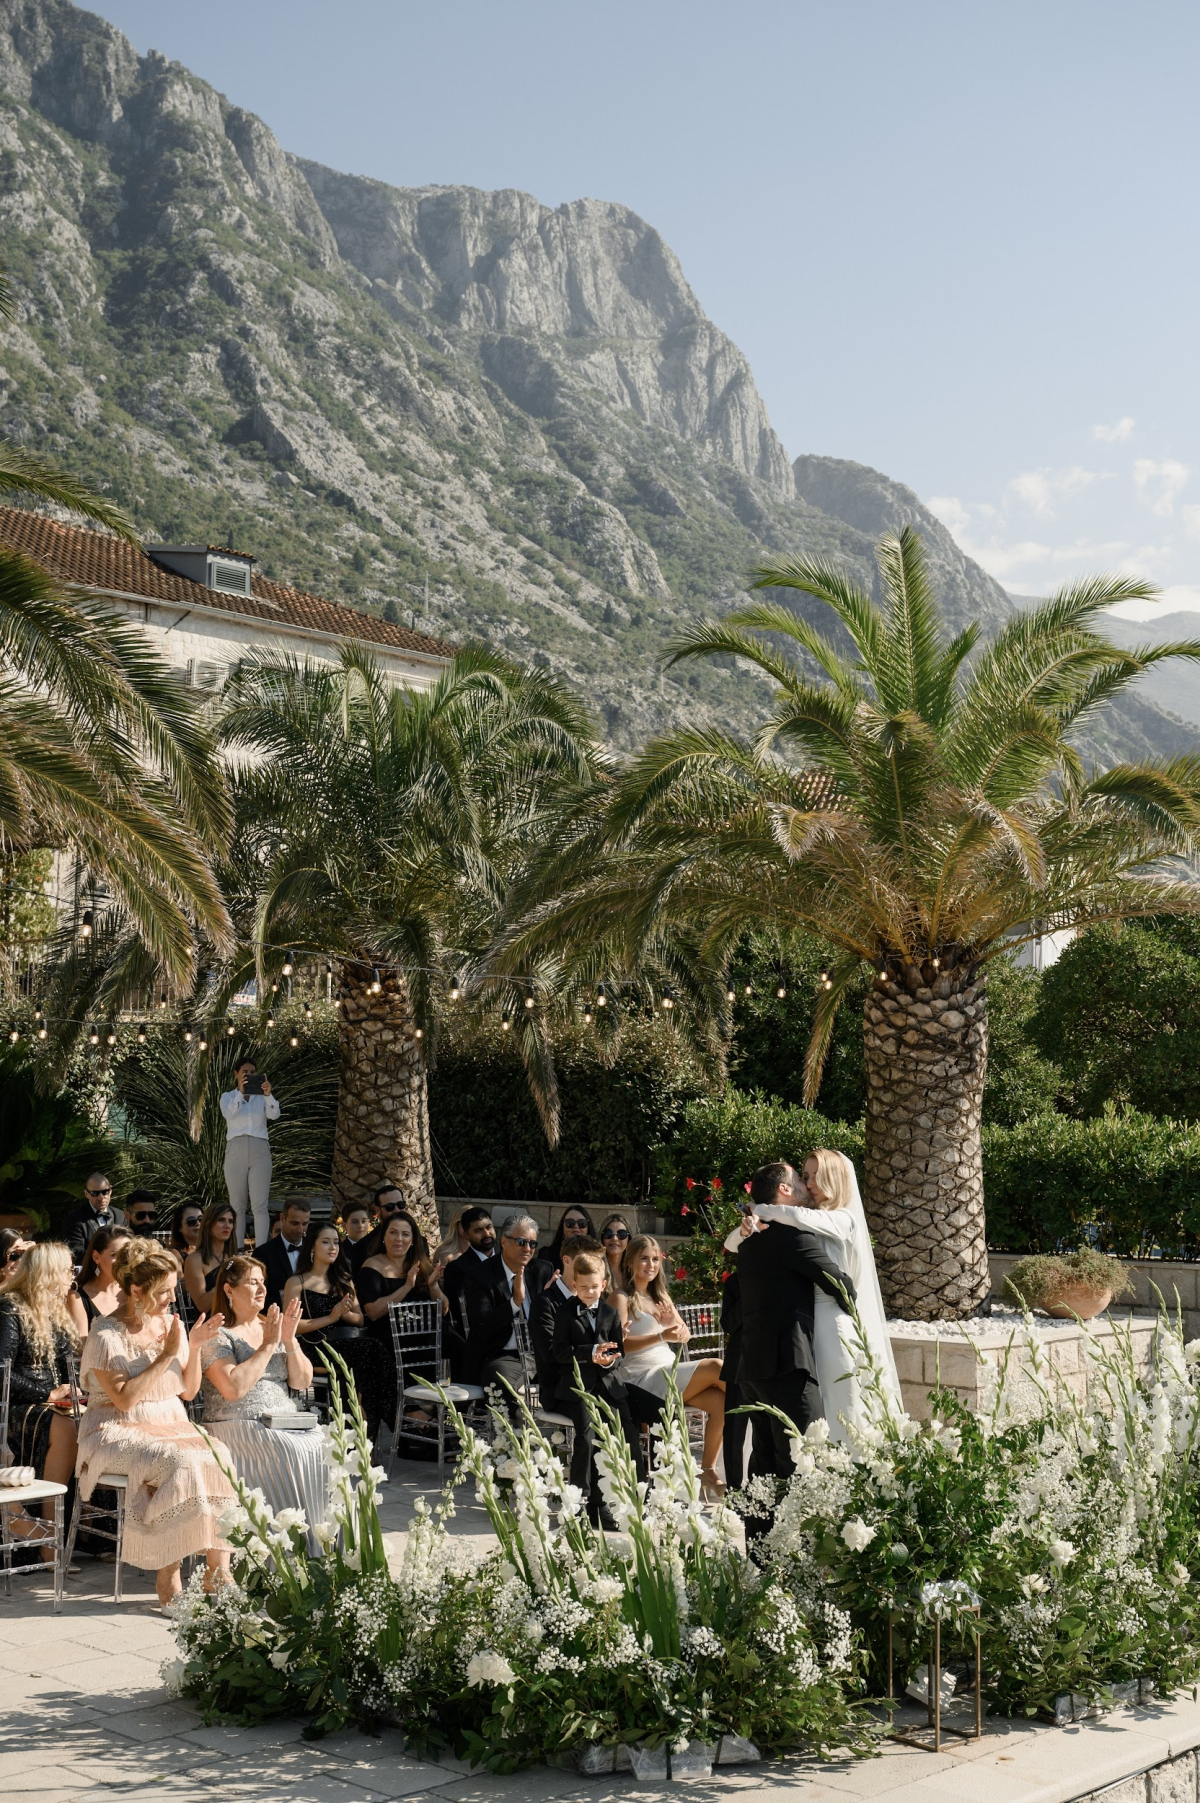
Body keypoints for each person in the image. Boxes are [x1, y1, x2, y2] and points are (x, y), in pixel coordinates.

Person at [76, 1238, 232, 1605]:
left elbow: (188, 1392)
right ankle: (168, 1575)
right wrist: (164, 1357)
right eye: (163, 1291)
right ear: (136, 1290)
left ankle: (217, 1572)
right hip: (114, 1429)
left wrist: (194, 1346)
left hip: (170, 1422)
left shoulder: (169, 1324)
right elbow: (124, 1400)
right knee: (180, 1461)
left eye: (174, 1289)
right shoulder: (106, 1335)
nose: (172, 1298)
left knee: (219, 1454)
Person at [754, 1148, 902, 1442]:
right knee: (822, 1406)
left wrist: (759, 1209)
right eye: (805, 1176)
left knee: (842, 1404)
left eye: (815, 1176)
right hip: (810, 1324)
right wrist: (750, 1224)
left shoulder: (843, 1219)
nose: (808, 1183)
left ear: (834, 1178)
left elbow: (797, 1216)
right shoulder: (807, 1219)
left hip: (834, 1323)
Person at [735, 1161, 856, 1487]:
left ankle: (758, 1523)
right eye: (800, 1180)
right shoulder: (792, 1238)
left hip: (752, 1370)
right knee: (803, 1458)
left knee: (763, 1467)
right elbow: (840, 1284)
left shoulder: (748, 1243)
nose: (806, 1185)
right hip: (787, 1368)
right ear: (785, 1189)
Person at [201, 1256, 329, 1535]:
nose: (262, 1289)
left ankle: (318, 1538)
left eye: (262, 1282)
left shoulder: (269, 1327)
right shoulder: (217, 1334)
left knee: (324, 1445)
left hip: (284, 1422)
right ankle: (286, 1539)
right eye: (252, 1282)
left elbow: (302, 1381)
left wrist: (289, 1339)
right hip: (237, 1425)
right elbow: (233, 1389)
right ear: (229, 1289)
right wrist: (269, 1345)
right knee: (292, 1450)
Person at [615, 1235, 727, 1497]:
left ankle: (707, 1470)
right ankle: (758, 1416)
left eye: (655, 1259)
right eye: (644, 1258)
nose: (651, 1265)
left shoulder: (660, 1295)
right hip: (642, 1378)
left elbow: (683, 1335)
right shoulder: (621, 1297)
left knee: (722, 1403)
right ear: (630, 1262)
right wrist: (661, 1335)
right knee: (716, 1366)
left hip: (669, 1370)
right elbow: (620, 1345)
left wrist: (672, 1327)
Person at [551, 1250, 644, 1525]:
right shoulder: (565, 1312)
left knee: (628, 1433)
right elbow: (559, 1352)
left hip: (608, 1384)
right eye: (583, 1287)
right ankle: (581, 1503)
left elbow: (619, 1351)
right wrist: (590, 1353)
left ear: (603, 1284)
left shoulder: (611, 1313)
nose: (589, 1292)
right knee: (587, 1435)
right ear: (574, 1285)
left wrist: (608, 1360)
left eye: (594, 1286)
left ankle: (638, 1496)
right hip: (578, 1387)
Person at [0, 1243, 80, 1560]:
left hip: (48, 1405)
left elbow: (65, 1365)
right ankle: (50, 1541)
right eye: (67, 1270)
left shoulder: (54, 1310)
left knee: (89, 1421)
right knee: (65, 1427)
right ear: (48, 1273)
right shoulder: (10, 1309)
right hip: (14, 1406)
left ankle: (80, 1532)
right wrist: (46, 1395)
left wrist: (71, 1389)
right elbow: (2, 1373)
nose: (72, 1277)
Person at [282, 1221, 387, 1440]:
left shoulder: (343, 1279)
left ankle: (365, 1427)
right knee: (371, 1352)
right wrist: (330, 1317)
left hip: (346, 1345)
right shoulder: (297, 1282)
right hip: (313, 1347)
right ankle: (369, 1425)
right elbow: (291, 1327)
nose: (333, 1247)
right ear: (312, 1246)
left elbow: (360, 1320)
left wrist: (344, 1314)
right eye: (325, 1242)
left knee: (371, 1357)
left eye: (336, 1242)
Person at [463, 1213, 553, 1402]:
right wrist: (515, 1303)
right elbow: (482, 1327)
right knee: (499, 1379)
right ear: (504, 1242)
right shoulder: (480, 1275)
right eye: (521, 1242)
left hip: (539, 1354)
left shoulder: (543, 1270)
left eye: (532, 1244)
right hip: (503, 1355)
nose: (527, 1249)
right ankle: (513, 1423)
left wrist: (549, 1301)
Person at [529, 1234, 599, 1401]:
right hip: (563, 1391)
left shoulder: (597, 1301)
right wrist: (593, 1351)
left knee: (654, 1406)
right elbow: (552, 1354)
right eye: (585, 1262)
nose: (591, 1268)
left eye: (596, 1263)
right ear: (566, 1260)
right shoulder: (545, 1302)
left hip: (599, 1385)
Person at [220, 1057, 279, 1249]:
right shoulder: (228, 1096)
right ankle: (236, 1249)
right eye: (245, 1072)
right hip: (235, 1148)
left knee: (260, 1205)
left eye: (252, 1072)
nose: (249, 1075)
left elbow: (274, 1114)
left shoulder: (262, 1098)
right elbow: (229, 1114)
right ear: (236, 1074)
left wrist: (268, 1094)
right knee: (237, 1205)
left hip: (259, 1148)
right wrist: (241, 1092)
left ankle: (262, 1250)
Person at [440, 1206, 497, 1318]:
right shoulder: (457, 1269)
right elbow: (461, 1312)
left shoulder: (506, 1261)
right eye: (478, 1230)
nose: (486, 1234)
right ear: (466, 1236)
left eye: (488, 1227)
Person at [256, 1198, 311, 1310]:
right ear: (282, 1218)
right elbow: (257, 1293)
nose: (300, 1229)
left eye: (305, 1224)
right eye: (294, 1223)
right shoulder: (263, 1253)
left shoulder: (314, 1248)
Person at [183, 1202, 237, 1316]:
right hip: (211, 1322)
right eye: (221, 1220)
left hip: (237, 1320)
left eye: (230, 1221)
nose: (227, 1225)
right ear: (208, 1223)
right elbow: (202, 1305)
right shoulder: (194, 1261)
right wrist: (228, 1283)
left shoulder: (235, 1258)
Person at [75, 1225, 133, 1327]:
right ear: (96, 1257)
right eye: (115, 1255)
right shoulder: (78, 1297)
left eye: (128, 1254)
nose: (124, 1261)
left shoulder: (138, 1290)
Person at [347, 1184, 407, 1274]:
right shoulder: (362, 1248)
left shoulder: (419, 1242)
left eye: (400, 1205)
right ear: (378, 1210)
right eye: (390, 1207)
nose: (397, 1210)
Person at [60, 1172, 119, 1264]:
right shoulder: (73, 1219)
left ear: (110, 1191)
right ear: (86, 1193)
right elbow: (75, 1252)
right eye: (95, 1193)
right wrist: (104, 1260)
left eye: (105, 1192)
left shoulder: (121, 1216)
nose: (101, 1197)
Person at [546, 1206, 597, 1273]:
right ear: (563, 1226)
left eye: (582, 1223)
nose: (576, 1226)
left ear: (588, 1227)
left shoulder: (597, 1255)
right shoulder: (547, 1255)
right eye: (570, 1223)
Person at [598, 1213, 633, 1289]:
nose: (614, 1238)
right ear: (602, 1238)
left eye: (621, 1234)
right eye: (608, 1233)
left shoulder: (633, 1271)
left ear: (629, 1240)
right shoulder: (595, 1269)